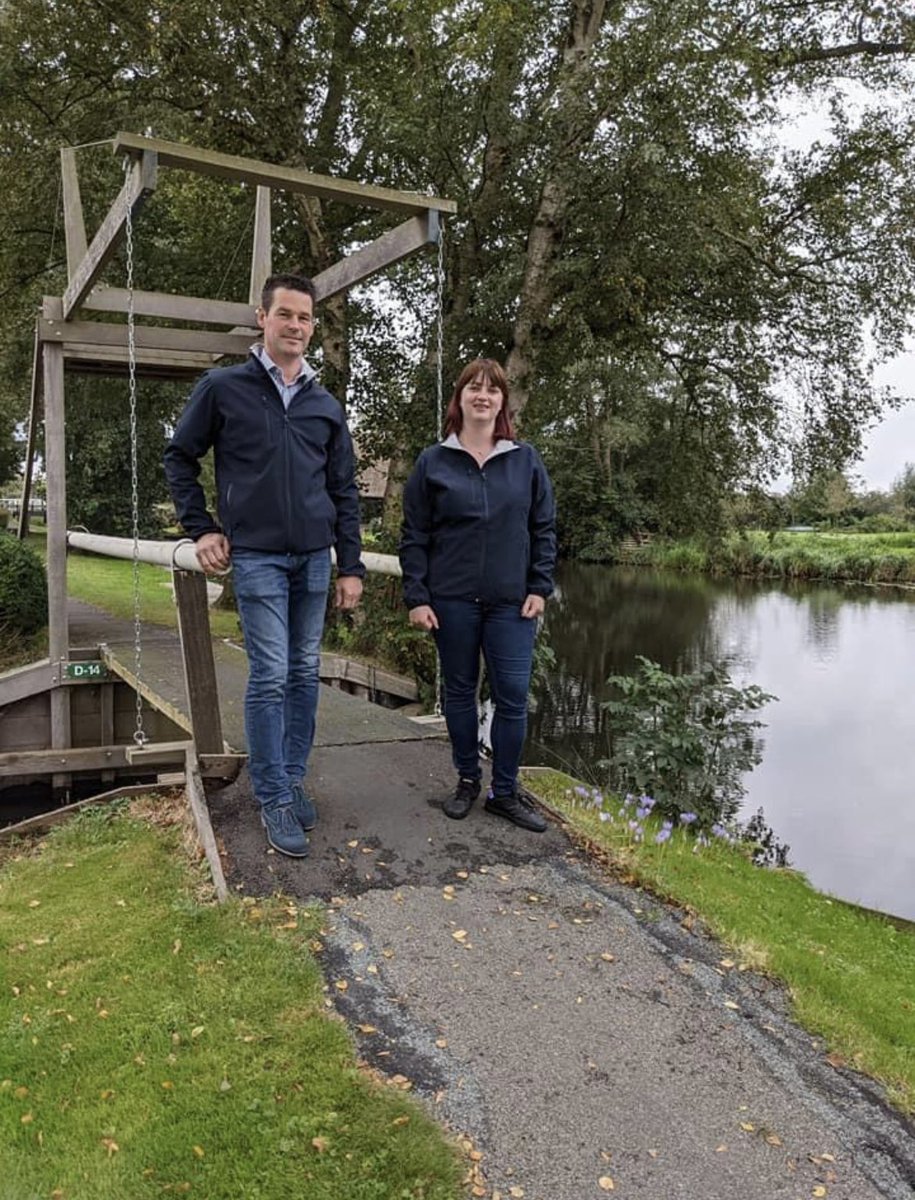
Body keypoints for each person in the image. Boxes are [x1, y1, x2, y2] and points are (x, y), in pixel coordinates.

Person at [164, 272, 365, 858]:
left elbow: (345, 490)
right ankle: (273, 796)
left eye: (305, 318)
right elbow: (180, 455)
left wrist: (350, 566)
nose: (296, 327)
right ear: (263, 318)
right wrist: (200, 527)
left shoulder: (324, 404)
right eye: (287, 315)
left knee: (305, 672)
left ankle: (290, 778)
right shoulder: (223, 388)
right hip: (255, 558)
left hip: (314, 560)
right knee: (272, 674)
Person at [399, 357, 556, 831]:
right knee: (461, 694)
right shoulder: (434, 462)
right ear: (460, 398)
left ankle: (504, 791)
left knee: (512, 695)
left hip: (513, 603)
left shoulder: (525, 460)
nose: (483, 396)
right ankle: (468, 779)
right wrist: (418, 596)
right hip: (452, 601)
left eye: (492, 389)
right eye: (474, 388)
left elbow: (543, 528)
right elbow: (414, 535)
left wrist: (539, 586)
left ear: (502, 401)